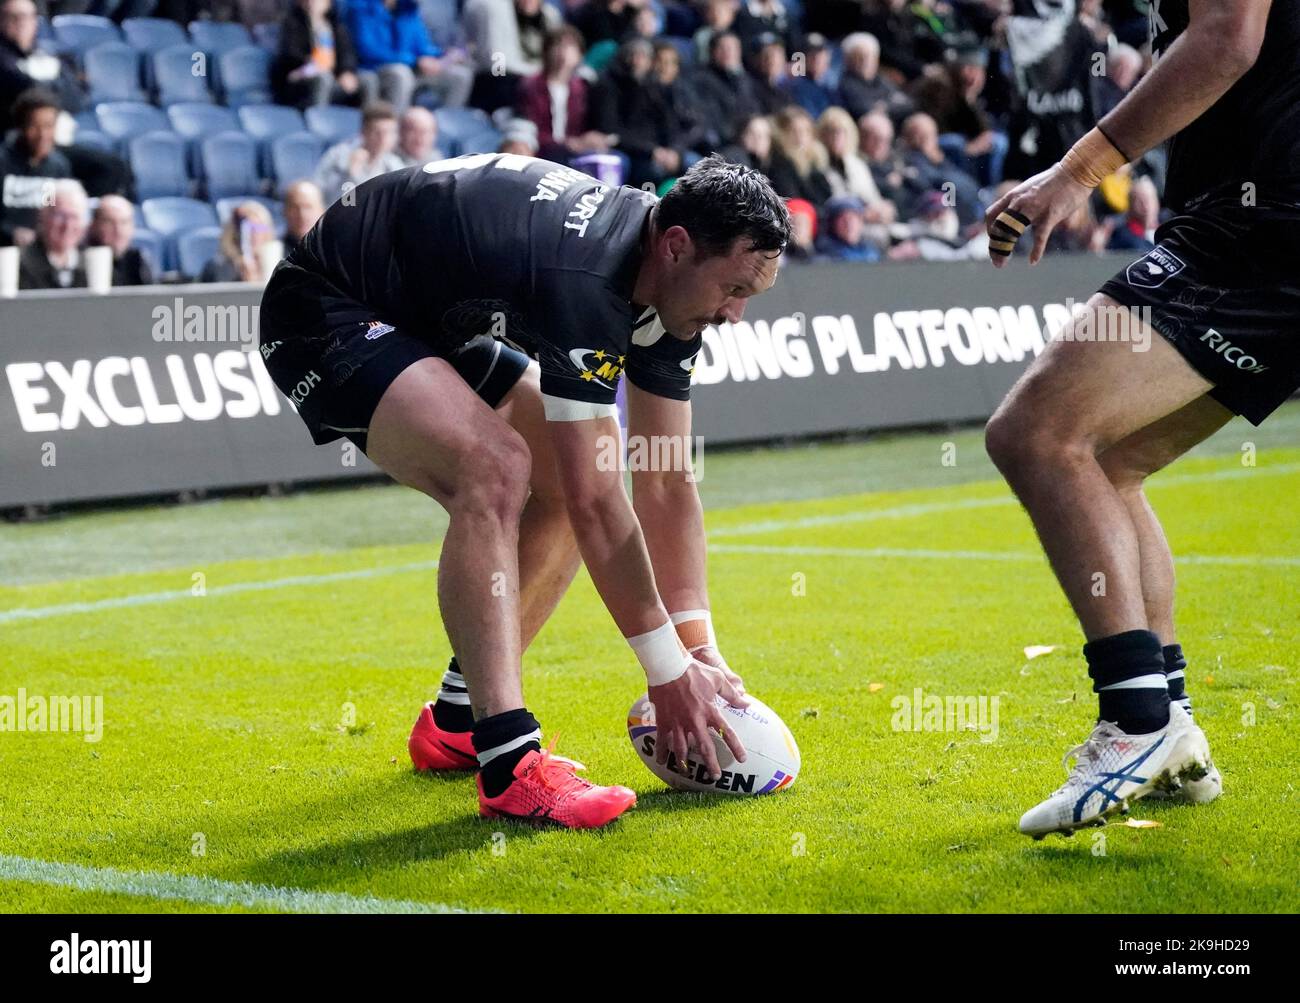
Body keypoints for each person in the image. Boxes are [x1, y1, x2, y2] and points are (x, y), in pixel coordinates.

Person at [258, 153, 788, 828]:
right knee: (500, 465)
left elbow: (665, 477)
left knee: (556, 470)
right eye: (734, 289)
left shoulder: (670, 290)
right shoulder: (588, 274)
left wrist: (697, 648)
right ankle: (509, 763)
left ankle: (456, 720)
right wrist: (665, 670)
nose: (736, 314)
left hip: (428, 315)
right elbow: (602, 499)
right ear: (678, 246)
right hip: (325, 305)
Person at [983, 0, 1300, 838]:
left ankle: (1137, 720)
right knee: (1111, 462)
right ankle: (1172, 723)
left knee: (1034, 434)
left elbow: (1228, 40)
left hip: (1258, 224)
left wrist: (1077, 169)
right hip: (1247, 221)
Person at [346, 0, 473, 111]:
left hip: (414, 68)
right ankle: (396, 129)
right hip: (377, 68)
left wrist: (443, 55)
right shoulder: (360, 8)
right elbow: (368, 51)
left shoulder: (410, 9)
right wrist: (414, 61)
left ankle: (438, 128)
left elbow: (423, 47)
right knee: (401, 73)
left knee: (459, 76)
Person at [515, 25, 613, 164]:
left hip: (575, 150)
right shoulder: (530, 85)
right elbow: (528, 129)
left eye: (570, 47)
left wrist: (590, 138)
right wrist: (565, 143)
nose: (563, 52)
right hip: (542, 152)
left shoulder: (583, 88)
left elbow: (589, 125)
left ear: (580, 55)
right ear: (546, 51)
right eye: (557, 45)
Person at [0, 0, 84, 134]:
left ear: (35, 22)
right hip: (12, 137)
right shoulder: (3, 56)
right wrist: (56, 81)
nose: (21, 23)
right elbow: (26, 89)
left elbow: (76, 101)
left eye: (27, 17)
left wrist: (45, 85)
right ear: (1, 21)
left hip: (48, 140)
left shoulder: (46, 53)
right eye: (14, 17)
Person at [0, 87, 70, 246]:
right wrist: (11, 232)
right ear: (20, 127)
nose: (42, 135)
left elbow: (56, 212)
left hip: (39, 257)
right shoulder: (2, 161)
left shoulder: (58, 167)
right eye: (34, 126)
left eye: (49, 126)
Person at [463, 0, 560, 113]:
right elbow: (497, 64)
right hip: (496, 78)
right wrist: (538, 74)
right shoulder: (494, 8)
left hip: (536, 77)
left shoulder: (550, 15)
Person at [272, 0, 362, 109]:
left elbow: (347, 54)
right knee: (322, 78)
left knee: (367, 80)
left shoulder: (336, 26)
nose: (312, 3)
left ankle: (368, 121)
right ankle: (319, 119)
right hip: (300, 78)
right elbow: (289, 54)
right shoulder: (291, 24)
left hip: (333, 77)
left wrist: (346, 71)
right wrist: (308, 63)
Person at [314, 101, 406, 202]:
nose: (383, 139)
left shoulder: (393, 163)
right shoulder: (338, 156)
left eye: (389, 132)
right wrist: (350, 175)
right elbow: (325, 199)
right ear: (364, 132)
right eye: (377, 132)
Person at [18, 177, 86, 289]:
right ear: (43, 217)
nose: (67, 226)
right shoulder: (20, 265)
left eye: (74, 217)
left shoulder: (95, 265)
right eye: (60, 216)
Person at [199, 200, 276, 282]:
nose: (254, 234)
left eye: (259, 228)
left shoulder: (278, 264)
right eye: (249, 228)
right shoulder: (219, 267)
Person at [88, 194, 152, 286]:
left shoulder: (137, 260)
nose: (118, 230)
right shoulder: (80, 262)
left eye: (124, 222)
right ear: (94, 225)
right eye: (109, 222)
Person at [281, 180, 325, 255]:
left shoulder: (337, 251)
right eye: (295, 207)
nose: (302, 214)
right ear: (285, 211)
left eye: (308, 207)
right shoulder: (273, 254)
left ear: (322, 211)